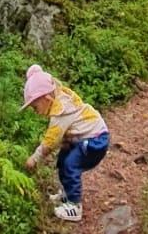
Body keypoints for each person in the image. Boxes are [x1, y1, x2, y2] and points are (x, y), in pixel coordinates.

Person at [22, 63, 110, 222]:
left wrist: (34, 159)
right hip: (85, 137)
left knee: (70, 164)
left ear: (47, 99)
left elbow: (50, 141)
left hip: (95, 140)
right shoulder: (60, 99)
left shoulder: (60, 112)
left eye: (35, 107)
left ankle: (74, 206)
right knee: (62, 161)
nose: (35, 111)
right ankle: (67, 193)